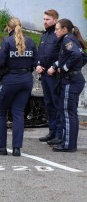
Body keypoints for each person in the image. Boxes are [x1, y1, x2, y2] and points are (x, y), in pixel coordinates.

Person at [0, 17, 37, 157]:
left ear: (9, 28)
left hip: (10, 81)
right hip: (26, 80)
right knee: (18, 113)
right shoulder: (31, 41)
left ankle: (1, 147)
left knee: (0, 112)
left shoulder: (7, 42)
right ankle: (17, 148)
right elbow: (36, 61)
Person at [46, 18, 86, 152]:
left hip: (71, 81)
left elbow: (77, 56)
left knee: (68, 113)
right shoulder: (70, 39)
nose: (55, 32)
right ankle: (69, 142)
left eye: (57, 29)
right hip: (74, 79)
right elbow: (83, 57)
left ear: (65, 30)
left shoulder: (68, 39)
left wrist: (64, 69)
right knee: (70, 113)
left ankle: (68, 145)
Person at [34, 9, 62, 143]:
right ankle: (52, 131)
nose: (45, 22)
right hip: (44, 75)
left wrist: (54, 67)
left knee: (57, 104)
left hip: (55, 75)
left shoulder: (58, 35)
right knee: (49, 104)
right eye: (44, 19)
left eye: (48, 19)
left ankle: (59, 134)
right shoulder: (44, 35)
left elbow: (63, 55)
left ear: (55, 20)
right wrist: (38, 64)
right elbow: (40, 53)